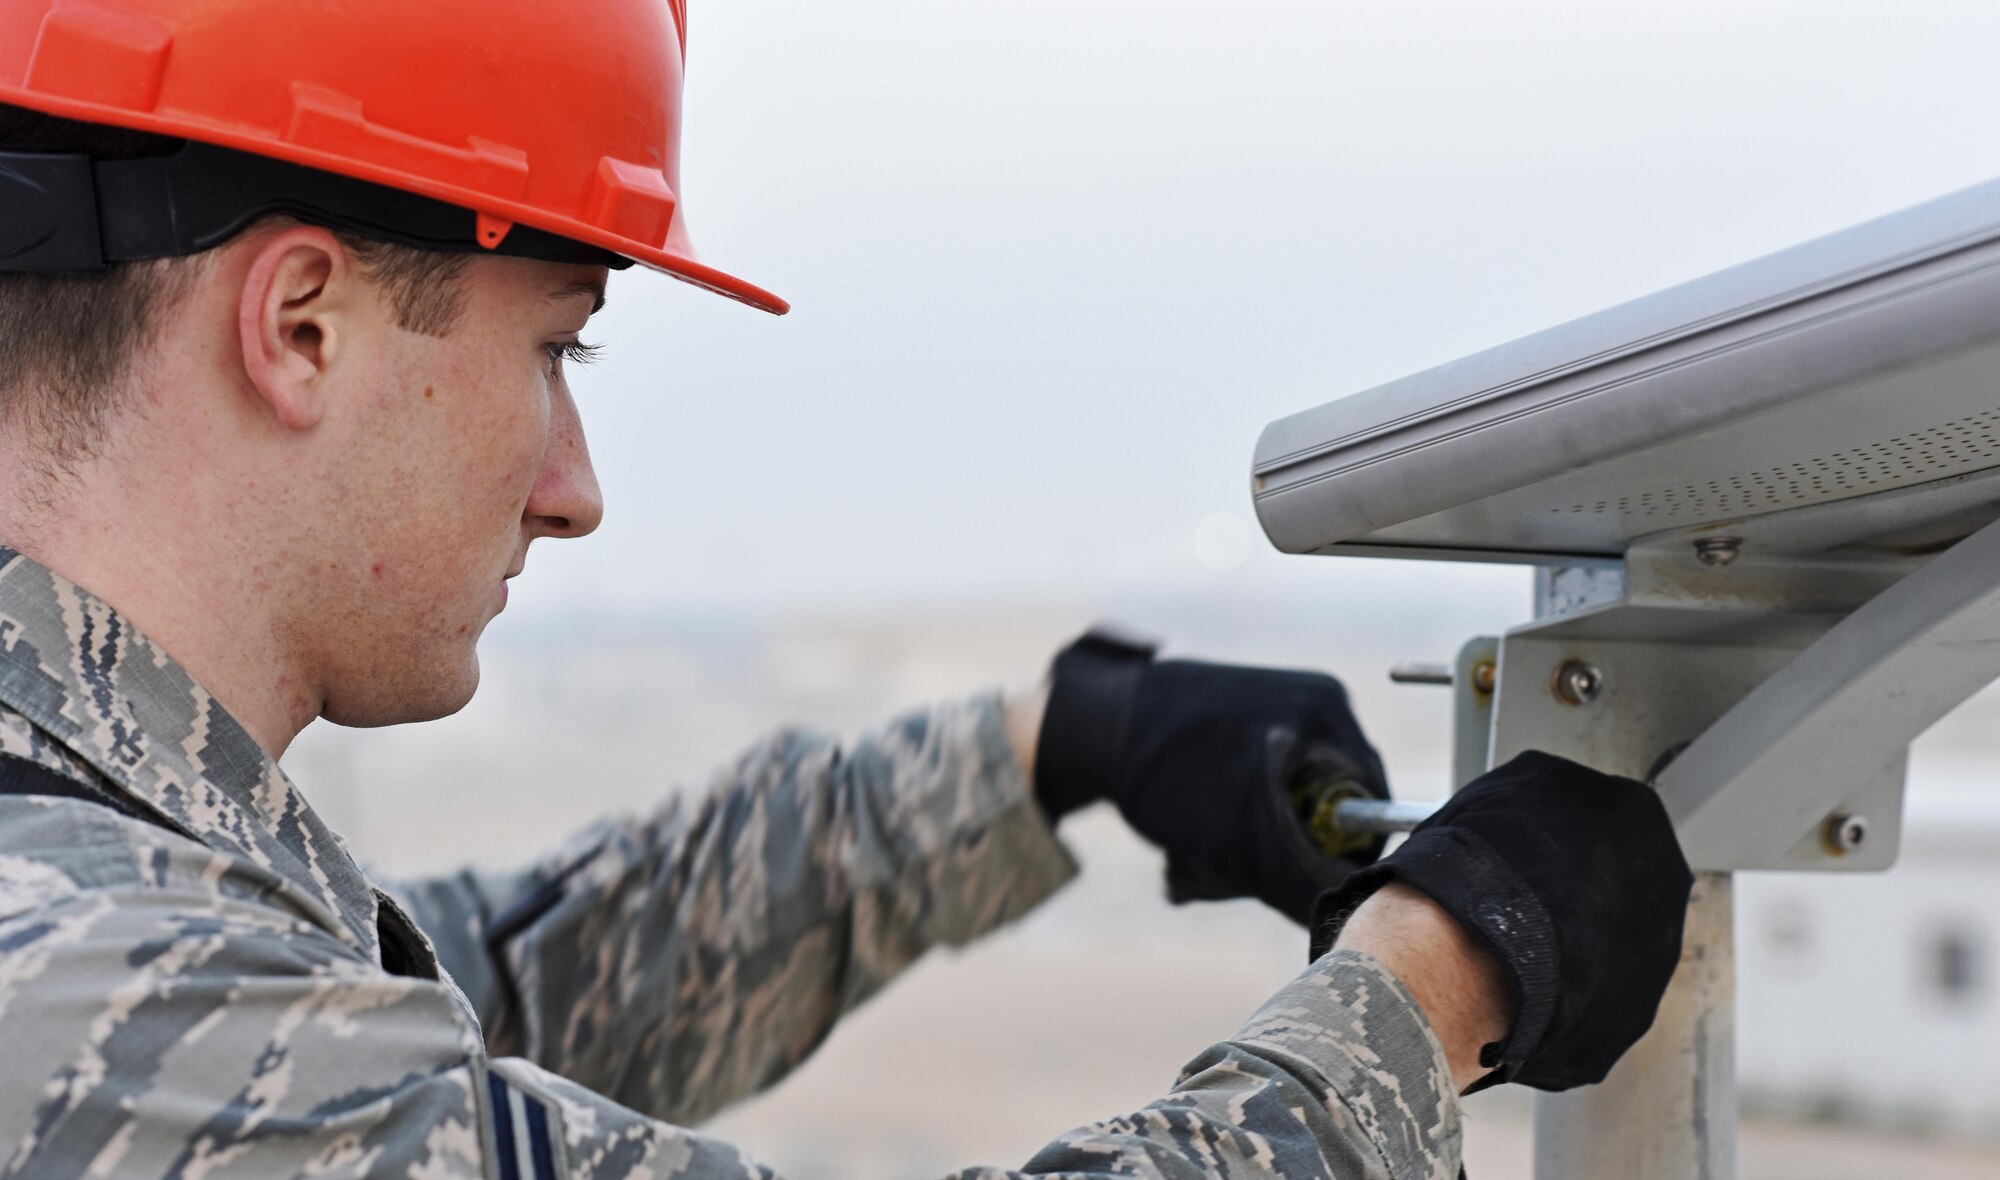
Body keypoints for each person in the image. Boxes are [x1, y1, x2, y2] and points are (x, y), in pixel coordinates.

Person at [0, 3, 1694, 1177]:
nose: (572, 487)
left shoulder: (98, 877)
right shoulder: (102, 990)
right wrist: (1433, 986)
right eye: (554, 347)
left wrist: (1052, 746)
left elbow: (497, 992)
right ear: (301, 325)